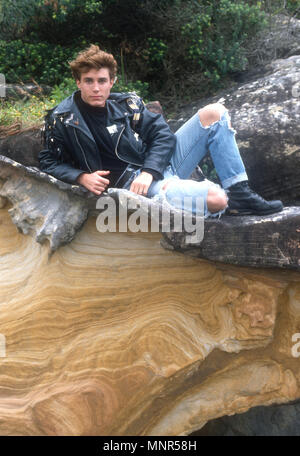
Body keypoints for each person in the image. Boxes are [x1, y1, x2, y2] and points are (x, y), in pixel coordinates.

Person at [39, 44, 283, 218]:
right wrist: (81, 177)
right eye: (89, 81)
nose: (95, 88)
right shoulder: (63, 118)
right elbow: (48, 161)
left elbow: (163, 135)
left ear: (111, 82)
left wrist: (149, 170)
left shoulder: (125, 105)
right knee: (216, 200)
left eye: (101, 81)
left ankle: (240, 191)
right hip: (135, 187)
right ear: (78, 82)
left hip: (157, 169)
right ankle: (223, 200)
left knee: (214, 113)